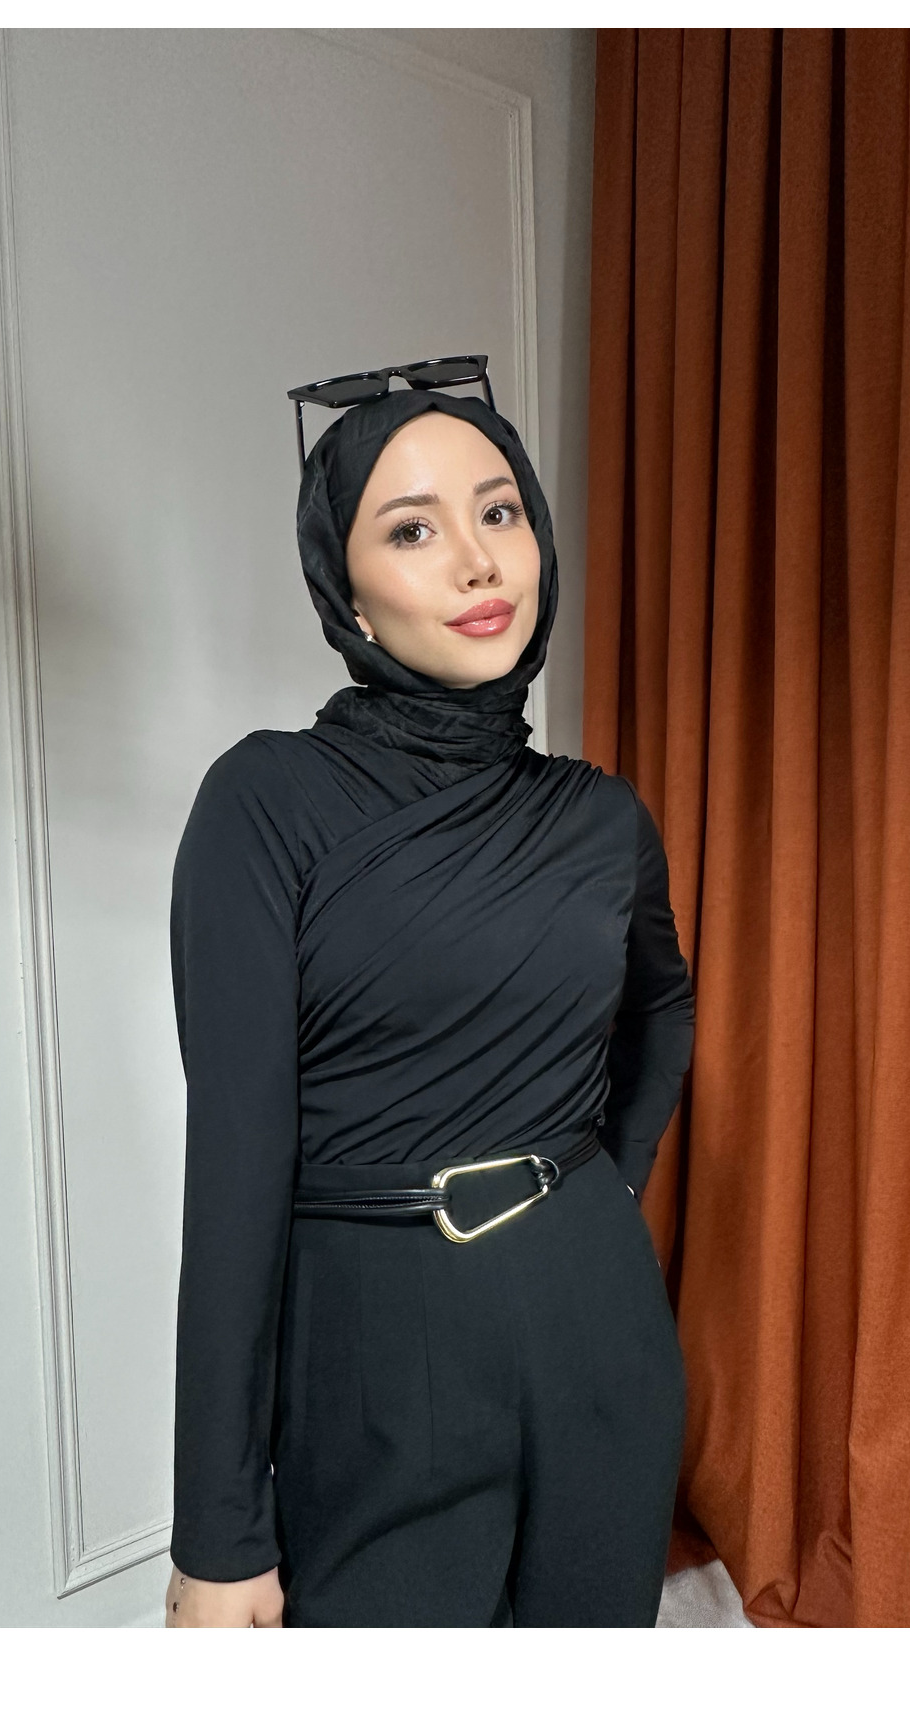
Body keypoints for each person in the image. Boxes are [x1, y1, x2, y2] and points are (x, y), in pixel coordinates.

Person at [163, 382, 694, 1628]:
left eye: (499, 512)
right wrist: (218, 1534)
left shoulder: (601, 815)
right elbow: (234, 1174)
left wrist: (597, 1195)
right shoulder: (264, 802)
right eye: (411, 528)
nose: (476, 560)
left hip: (595, 1315)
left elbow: (660, 1016)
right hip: (372, 1341)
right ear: (346, 595)